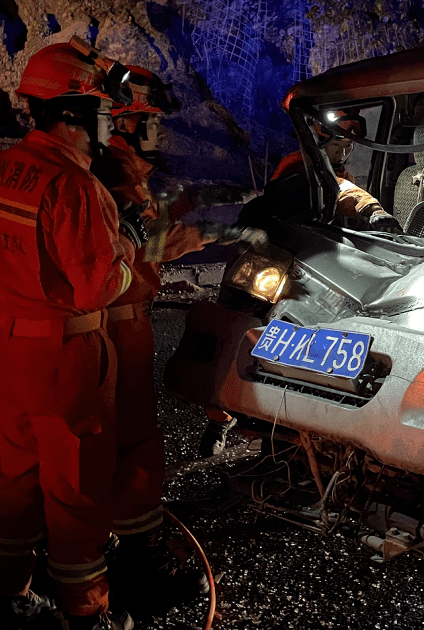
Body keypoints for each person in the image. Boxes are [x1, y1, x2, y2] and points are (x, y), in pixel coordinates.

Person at [0, 40, 138, 630]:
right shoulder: (76, 187)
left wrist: (8, 332)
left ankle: (3, 594)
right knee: (76, 486)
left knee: (16, 475)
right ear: (71, 114)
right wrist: (128, 250)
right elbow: (98, 288)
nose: (113, 122)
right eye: (104, 111)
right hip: (67, 357)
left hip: (10, 352)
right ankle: (85, 614)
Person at [88, 65, 263, 609]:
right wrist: (222, 231)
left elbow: (156, 212)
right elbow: (154, 237)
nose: (160, 132)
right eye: (153, 121)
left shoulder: (117, 167)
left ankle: (102, 549)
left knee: (99, 445)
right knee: (134, 442)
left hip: (105, 323)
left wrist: (205, 195)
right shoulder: (115, 173)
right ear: (129, 121)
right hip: (118, 324)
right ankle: (138, 561)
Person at [240, 109, 402, 233]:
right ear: (319, 144)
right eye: (336, 145)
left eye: (348, 145)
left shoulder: (345, 175)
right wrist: (372, 209)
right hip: (285, 238)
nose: (343, 153)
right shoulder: (299, 163)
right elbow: (337, 188)